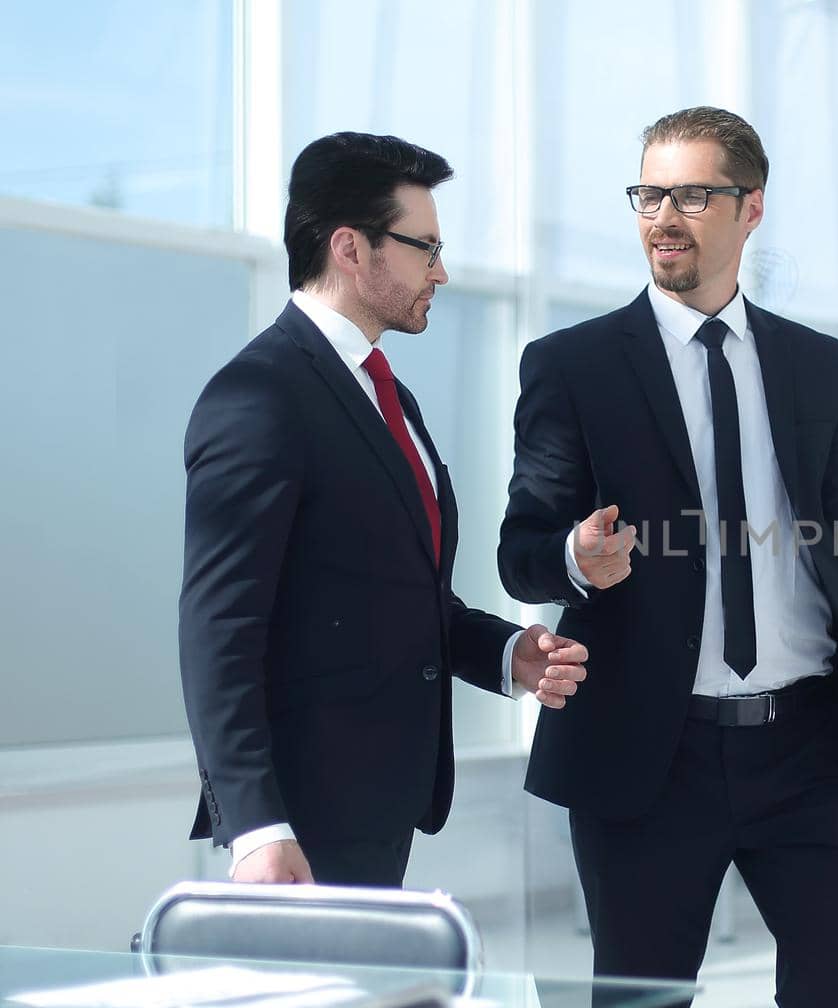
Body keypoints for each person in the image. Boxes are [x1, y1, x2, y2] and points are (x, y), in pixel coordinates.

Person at [498, 106, 838, 1008]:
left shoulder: (818, 366)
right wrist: (575, 557)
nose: (665, 215)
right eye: (649, 194)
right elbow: (520, 548)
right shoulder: (573, 367)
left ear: (751, 208)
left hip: (809, 750)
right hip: (650, 756)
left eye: (692, 194)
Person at [180, 132, 588, 889]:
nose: (442, 270)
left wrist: (506, 655)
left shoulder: (388, 394)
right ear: (351, 248)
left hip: (378, 802)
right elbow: (219, 625)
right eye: (424, 247)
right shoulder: (258, 397)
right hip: (298, 819)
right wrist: (255, 825)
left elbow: (406, 594)